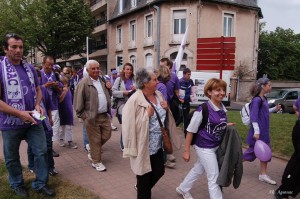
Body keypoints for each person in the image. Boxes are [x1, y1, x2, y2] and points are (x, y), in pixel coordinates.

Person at [0, 33, 55, 197]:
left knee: (42, 151)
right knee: (11, 157)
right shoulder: (0, 68)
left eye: (21, 47)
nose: (18, 50)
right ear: (5, 49)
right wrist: (18, 113)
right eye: (14, 47)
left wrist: (38, 104)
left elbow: (38, 90)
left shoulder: (30, 68)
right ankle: (17, 184)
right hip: (10, 123)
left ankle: (40, 183)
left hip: (33, 120)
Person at [122, 67, 180, 199]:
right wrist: (146, 116)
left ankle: (142, 187)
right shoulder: (134, 101)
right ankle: (142, 190)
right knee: (144, 179)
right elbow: (129, 127)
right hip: (143, 146)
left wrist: (166, 108)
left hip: (158, 144)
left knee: (159, 171)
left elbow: (165, 118)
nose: (158, 82)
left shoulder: (158, 95)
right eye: (154, 80)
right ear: (144, 83)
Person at [176, 78, 232, 199]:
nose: (222, 93)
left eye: (223, 90)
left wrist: (226, 125)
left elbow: (213, 124)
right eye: (218, 90)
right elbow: (190, 130)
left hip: (215, 147)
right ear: (209, 92)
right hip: (204, 148)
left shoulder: (222, 108)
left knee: (198, 169)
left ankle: (182, 188)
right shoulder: (203, 109)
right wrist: (186, 151)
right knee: (214, 177)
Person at [74, 60, 112, 172]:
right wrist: (84, 116)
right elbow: (78, 102)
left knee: (107, 134)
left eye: (97, 68)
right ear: (88, 70)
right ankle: (96, 162)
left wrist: (109, 89)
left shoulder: (102, 80)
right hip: (92, 117)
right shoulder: (84, 83)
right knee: (95, 140)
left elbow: (107, 96)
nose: (96, 70)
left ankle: (92, 148)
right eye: (93, 69)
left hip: (104, 115)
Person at [243, 77, 281, 185]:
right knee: (249, 155)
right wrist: (256, 132)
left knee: (266, 154)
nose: (271, 87)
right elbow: (254, 117)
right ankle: (232, 164)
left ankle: (263, 175)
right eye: (269, 85)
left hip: (264, 133)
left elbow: (264, 111)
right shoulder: (257, 100)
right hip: (258, 134)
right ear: (263, 86)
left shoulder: (264, 99)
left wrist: (274, 109)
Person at [27, 68, 58, 176]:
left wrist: (50, 118)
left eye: (38, 77)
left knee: (48, 146)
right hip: (33, 123)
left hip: (45, 122)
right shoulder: (26, 90)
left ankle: (50, 167)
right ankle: (32, 165)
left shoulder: (43, 90)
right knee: (33, 147)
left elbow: (48, 106)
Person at [40, 55, 62, 157]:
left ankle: (50, 147)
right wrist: (45, 86)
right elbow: (35, 90)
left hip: (53, 105)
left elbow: (60, 91)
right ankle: (42, 147)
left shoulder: (55, 75)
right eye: (48, 65)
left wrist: (56, 86)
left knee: (52, 126)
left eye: (52, 65)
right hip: (40, 106)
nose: (50, 67)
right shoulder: (38, 75)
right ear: (43, 64)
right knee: (42, 126)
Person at [159, 58, 179, 168]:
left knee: (166, 131)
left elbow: (176, 92)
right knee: (164, 132)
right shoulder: (161, 85)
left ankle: (168, 154)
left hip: (167, 108)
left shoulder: (174, 77)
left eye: (164, 66)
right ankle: (166, 156)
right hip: (161, 110)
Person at [112, 63, 136, 151]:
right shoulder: (119, 79)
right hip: (123, 104)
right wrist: (123, 93)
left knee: (131, 125)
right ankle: (123, 144)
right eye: (127, 69)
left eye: (130, 69)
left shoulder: (134, 79)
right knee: (126, 124)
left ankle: (129, 143)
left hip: (133, 104)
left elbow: (140, 90)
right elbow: (113, 92)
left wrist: (135, 89)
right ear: (124, 70)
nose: (129, 71)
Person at [58, 75, 77, 149]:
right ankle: (61, 139)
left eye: (66, 83)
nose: (65, 85)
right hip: (61, 110)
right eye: (63, 83)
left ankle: (70, 140)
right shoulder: (59, 91)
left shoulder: (69, 90)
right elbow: (59, 100)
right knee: (61, 127)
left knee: (69, 127)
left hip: (69, 110)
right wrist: (64, 92)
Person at [179, 68, 194, 136]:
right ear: (184, 74)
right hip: (182, 102)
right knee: (185, 117)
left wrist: (193, 97)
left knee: (187, 116)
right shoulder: (180, 82)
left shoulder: (190, 81)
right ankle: (186, 132)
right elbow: (178, 92)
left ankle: (185, 129)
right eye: (188, 74)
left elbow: (193, 90)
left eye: (190, 74)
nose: (189, 76)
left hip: (188, 102)